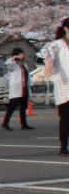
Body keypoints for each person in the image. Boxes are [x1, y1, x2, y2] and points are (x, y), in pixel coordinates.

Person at [37, 17, 69, 156]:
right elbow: (43, 55)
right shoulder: (57, 44)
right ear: (66, 29)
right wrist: (48, 63)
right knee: (66, 117)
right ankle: (64, 146)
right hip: (63, 84)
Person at [1, 48, 34, 131]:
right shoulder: (12, 64)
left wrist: (30, 85)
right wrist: (14, 58)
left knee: (23, 107)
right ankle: (5, 123)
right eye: (21, 54)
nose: (23, 55)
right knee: (12, 107)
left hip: (24, 88)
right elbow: (8, 65)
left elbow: (28, 76)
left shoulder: (24, 65)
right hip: (16, 88)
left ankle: (24, 124)